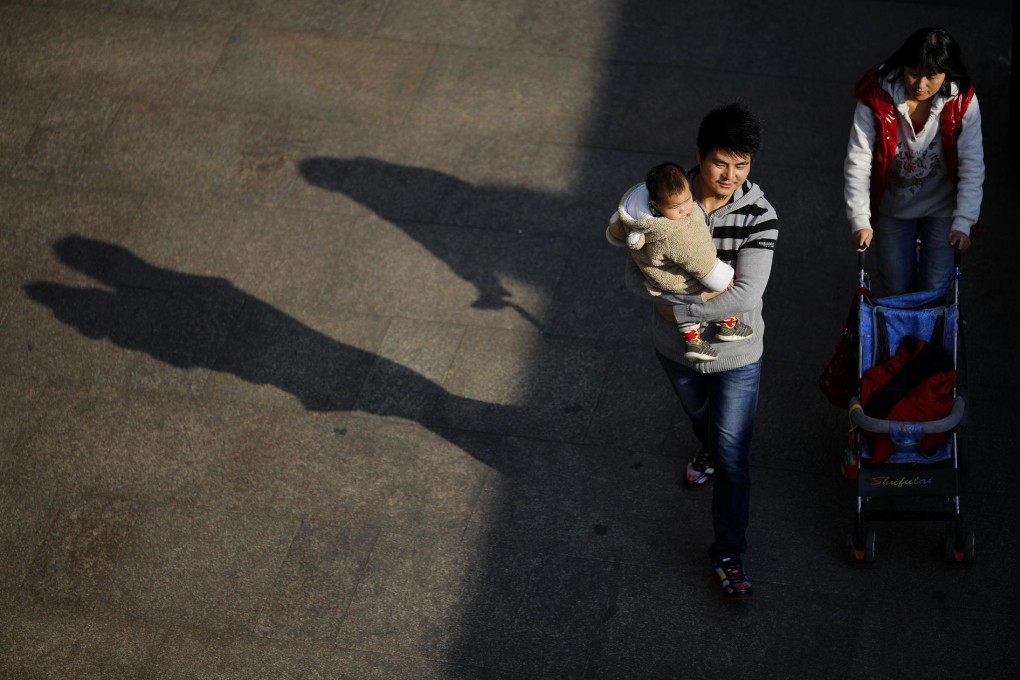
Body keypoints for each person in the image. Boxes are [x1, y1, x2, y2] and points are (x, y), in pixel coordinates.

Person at [620, 103, 778, 600]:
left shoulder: (760, 214)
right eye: (720, 163)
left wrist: (680, 310)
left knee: (734, 455)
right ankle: (705, 444)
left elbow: (747, 295)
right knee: (699, 413)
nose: (731, 175)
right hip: (676, 352)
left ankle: (728, 553)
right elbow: (634, 271)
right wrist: (690, 301)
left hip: (736, 353)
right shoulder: (658, 199)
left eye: (743, 164)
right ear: (698, 156)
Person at [844, 26, 984, 294]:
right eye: (913, 73)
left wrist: (963, 221)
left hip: (942, 208)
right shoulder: (876, 97)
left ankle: (926, 337)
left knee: (934, 287)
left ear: (946, 73)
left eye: (931, 77)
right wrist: (860, 219)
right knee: (896, 287)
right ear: (903, 66)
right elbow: (858, 161)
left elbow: (972, 164)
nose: (920, 85)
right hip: (893, 208)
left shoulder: (963, 101)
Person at [606, 162, 754, 361]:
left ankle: (693, 340)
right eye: (675, 207)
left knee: (683, 298)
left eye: (687, 200)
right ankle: (727, 325)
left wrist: (614, 235)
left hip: (659, 277)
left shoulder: (634, 212)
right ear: (656, 204)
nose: (685, 209)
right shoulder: (675, 234)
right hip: (678, 278)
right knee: (711, 290)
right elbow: (697, 261)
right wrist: (720, 277)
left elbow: (618, 227)